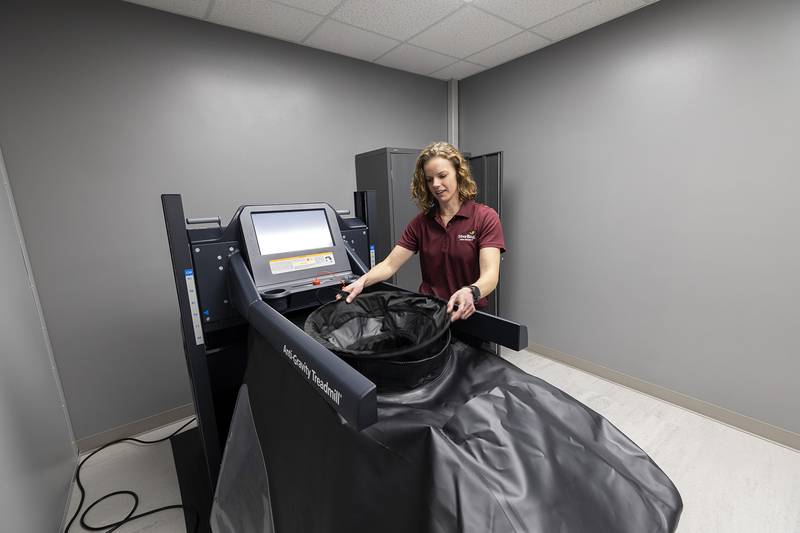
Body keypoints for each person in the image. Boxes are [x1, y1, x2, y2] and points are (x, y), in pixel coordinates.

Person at [340, 142, 505, 321]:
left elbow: (490, 275)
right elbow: (389, 265)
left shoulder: (484, 217)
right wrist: (362, 282)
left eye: (442, 176)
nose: (436, 184)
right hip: (431, 316)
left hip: (470, 315)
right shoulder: (421, 223)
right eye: (429, 179)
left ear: (458, 173)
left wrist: (470, 291)